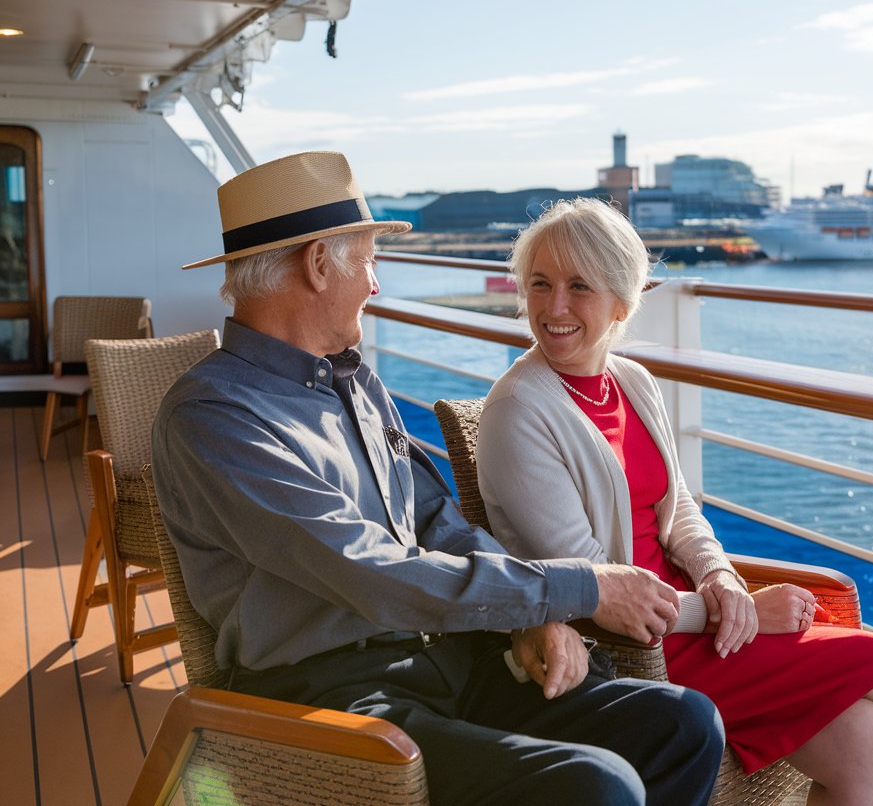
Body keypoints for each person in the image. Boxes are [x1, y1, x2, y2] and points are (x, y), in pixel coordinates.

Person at [151, 153, 725, 806]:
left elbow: (438, 524)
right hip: (334, 700)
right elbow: (368, 572)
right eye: (368, 259)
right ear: (318, 265)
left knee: (684, 725)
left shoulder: (352, 381)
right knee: (598, 786)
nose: (374, 284)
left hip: (450, 658)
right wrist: (577, 589)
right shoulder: (216, 416)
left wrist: (526, 618)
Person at [476, 196, 873, 806]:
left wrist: (722, 579)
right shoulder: (519, 410)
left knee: (867, 741)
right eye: (540, 284)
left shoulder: (632, 382)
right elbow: (592, 584)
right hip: (638, 646)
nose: (554, 307)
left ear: (622, 300)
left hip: (694, 616)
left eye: (579, 287)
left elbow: (681, 511)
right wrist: (729, 612)